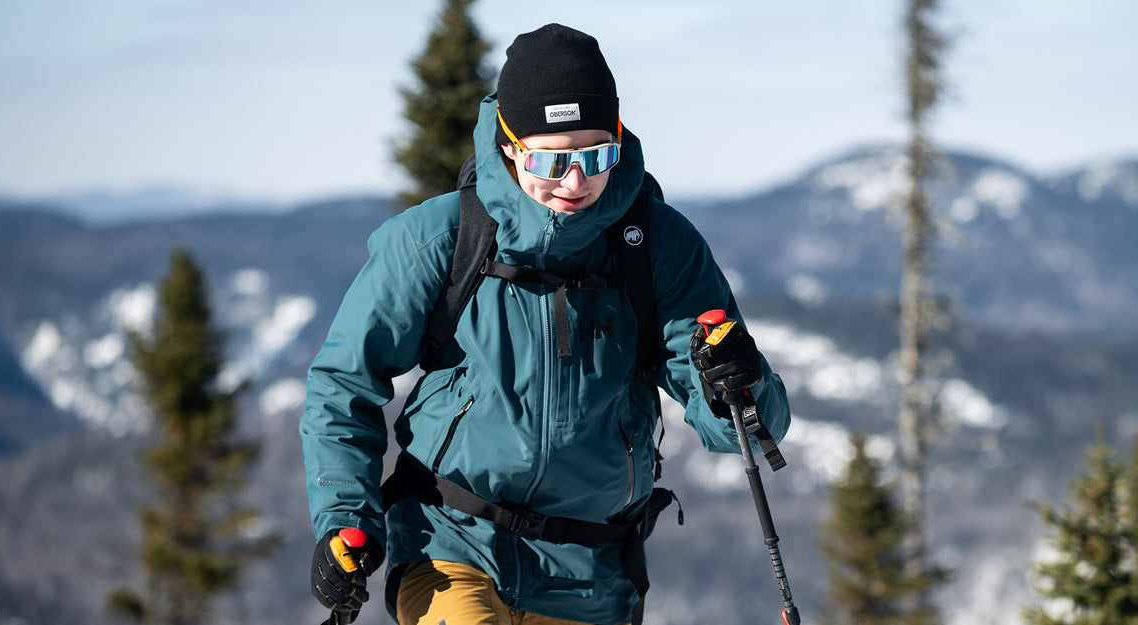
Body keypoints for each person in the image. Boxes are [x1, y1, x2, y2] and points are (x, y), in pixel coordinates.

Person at [300, 23, 791, 625]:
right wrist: (346, 519)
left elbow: (743, 429)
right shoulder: (440, 239)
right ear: (507, 146)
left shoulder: (658, 246)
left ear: (617, 139)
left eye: (595, 155)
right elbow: (344, 383)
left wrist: (737, 380)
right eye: (551, 160)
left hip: (592, 567)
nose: (575, 181)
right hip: (452, 538)